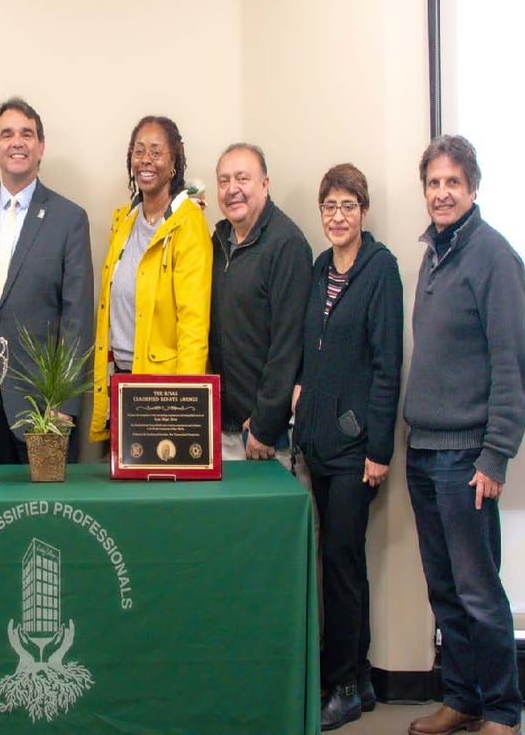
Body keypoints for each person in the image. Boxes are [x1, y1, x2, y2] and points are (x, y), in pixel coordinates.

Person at [404, 136, 525, 735]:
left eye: (453, 182)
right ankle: (463, 700)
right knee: (446, 592)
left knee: (480, 595)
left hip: (466, 459)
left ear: (473, 188)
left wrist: (495, 456)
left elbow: (512, 368)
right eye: (433, 183)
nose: (442, 192)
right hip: (423, 450)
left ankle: (502, 713)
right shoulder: (434, 253)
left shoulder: (493, 257)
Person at [292, 164, 403, 730]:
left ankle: (340, 683)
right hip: (316, 442)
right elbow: (316, 355)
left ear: (363, 211)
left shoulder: (380, 271)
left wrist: (378, 449)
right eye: (330, 206)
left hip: (357, 447)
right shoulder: (318, 267)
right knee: (340, 562)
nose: (338, 217)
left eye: (348, 206)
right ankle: (357, 681)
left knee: (340, 561)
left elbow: (387, 367)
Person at [0, 97, 94, 463]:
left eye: (27, 134)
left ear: (40, 147)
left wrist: (65, 402)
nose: (17, 142)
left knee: (46, 516)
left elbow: (77, 321)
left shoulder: (69, 218)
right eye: (7, 134)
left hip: (44, 409)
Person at [89, 115, 212, 441]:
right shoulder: (124, 221)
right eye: (139, 150)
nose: (146, 160)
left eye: (156, 152)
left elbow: (193, 325)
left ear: (174, 160)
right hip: (120, 378)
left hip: (161, 389)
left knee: (157, 487)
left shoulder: (188, 224)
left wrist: (186, 404)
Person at [209, 143, 312, 467]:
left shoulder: (287, 244)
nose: (232, 190)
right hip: (222, 428)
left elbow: (288, 344)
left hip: (264, 438)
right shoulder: (217, 241)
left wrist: (265, 425)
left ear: (265, 184)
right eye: (224, 181)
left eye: (242, 178)